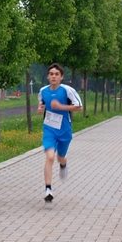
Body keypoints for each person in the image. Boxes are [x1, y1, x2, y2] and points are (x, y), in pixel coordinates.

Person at [37, 63, 83, 203]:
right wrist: (40, 109)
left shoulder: (67, 90)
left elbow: (79, 107)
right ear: (48, 76)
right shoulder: (43, 91)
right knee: (50, 156)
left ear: (61, 77)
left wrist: (61, 107)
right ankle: (48, 189)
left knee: (60, 157)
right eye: (51, 74)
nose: (53, 76)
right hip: (49, 129)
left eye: (56, 74)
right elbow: (41, 104)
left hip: (64, 130)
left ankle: (63, 164)